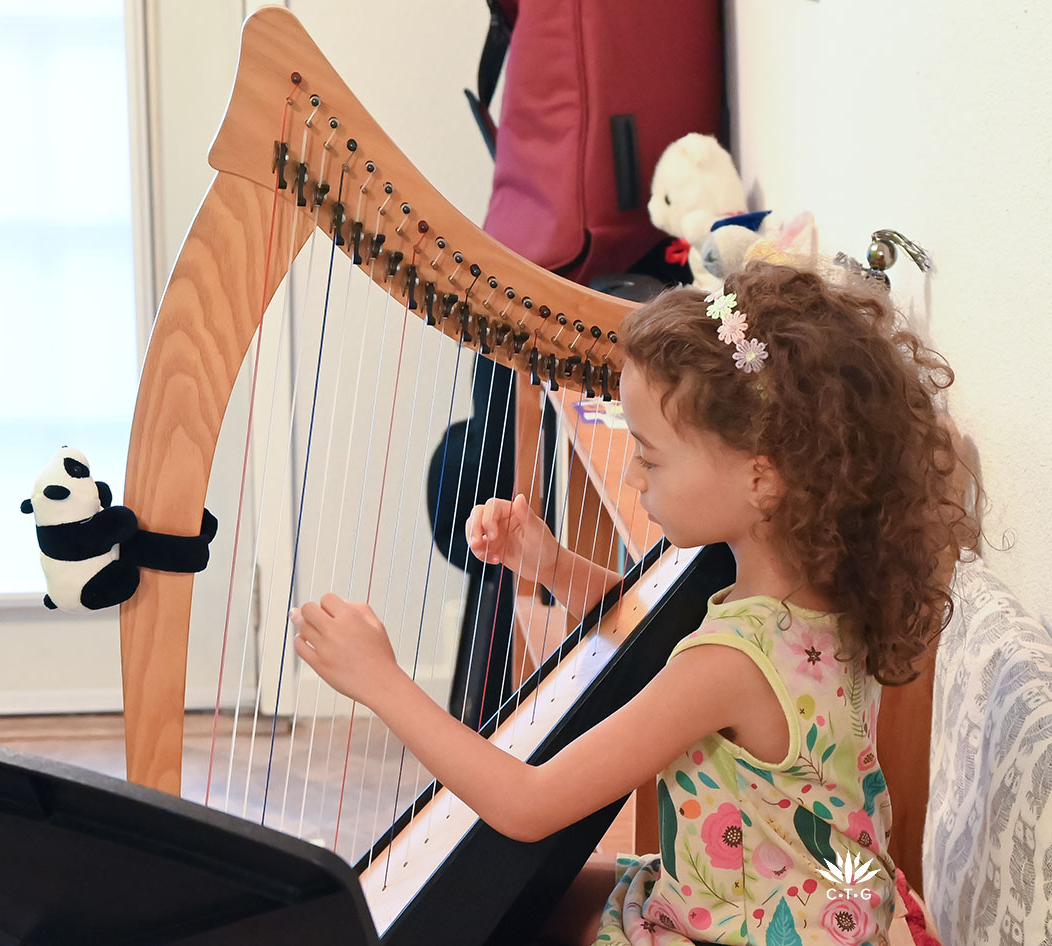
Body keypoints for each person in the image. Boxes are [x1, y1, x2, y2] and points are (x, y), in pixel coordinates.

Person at [289, 260, 979, 945]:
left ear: (761, 478)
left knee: (507, 902)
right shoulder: (814, 594)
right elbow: (653, 637)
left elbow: (529, 805)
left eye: (649, 455)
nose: (629, 472)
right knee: (540, 891)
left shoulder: (729, 663)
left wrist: (379, 680)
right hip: (819, 902)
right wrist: (553, 565)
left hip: (758, 925)